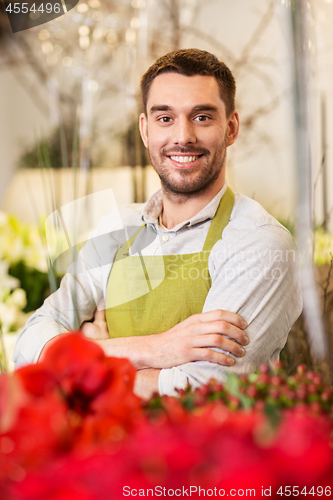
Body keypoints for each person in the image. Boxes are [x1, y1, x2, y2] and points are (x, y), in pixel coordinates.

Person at [13, 49, 303, 399]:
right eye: (164, 118)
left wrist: (92, 360)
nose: (183, 136)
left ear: (231, 128)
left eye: (202, 117)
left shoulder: (259, 243)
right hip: (101, 448)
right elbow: (29, 345)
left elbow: (205, 389)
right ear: (145, 130)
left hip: (204, 451)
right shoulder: (116, 227)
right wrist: (154, 348)